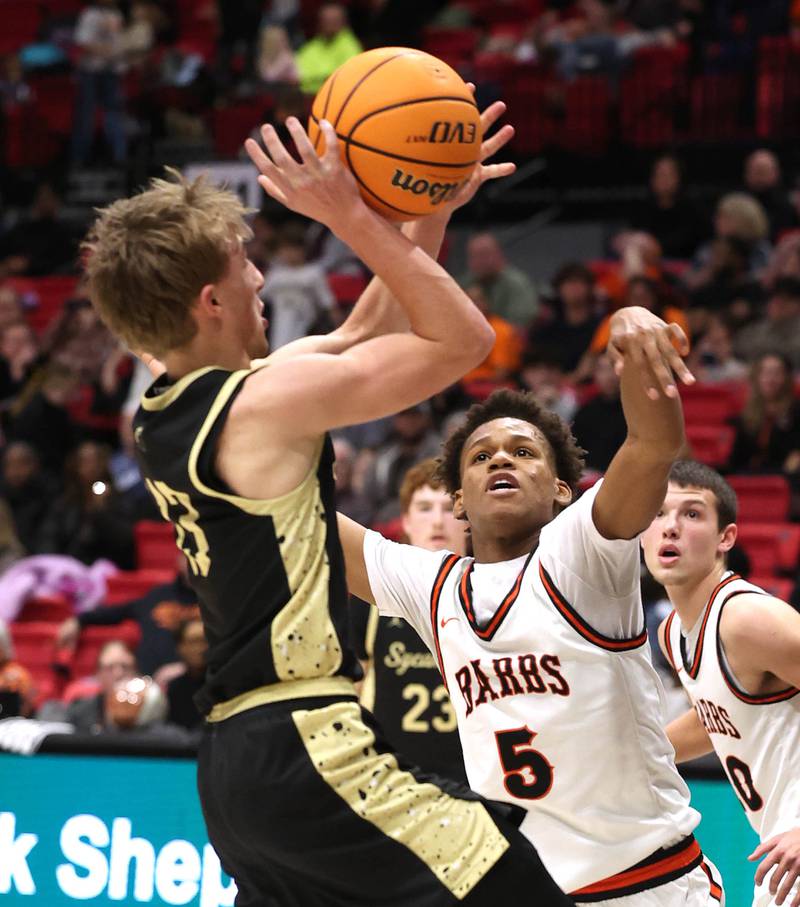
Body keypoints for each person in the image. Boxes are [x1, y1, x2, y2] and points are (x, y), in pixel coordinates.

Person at [84, 109, 572, 904]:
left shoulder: (170, 408)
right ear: (211, 300)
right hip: (307, 745)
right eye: (247, 266)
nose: (260, 279)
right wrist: (348, 215)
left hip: (238, 765)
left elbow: (361, 329)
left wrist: (435, 199)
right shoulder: (262, 404)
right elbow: (461, 340)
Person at [339, 306, 728, 901]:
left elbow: (654, 444)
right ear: (459, 503)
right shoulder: (434, 586)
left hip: (649, 885)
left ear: (560, 490)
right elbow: (304, 525)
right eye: (481, 456)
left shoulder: (581, 550)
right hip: (529, 891)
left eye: (523, 453)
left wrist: (628, 322)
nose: (500, 458)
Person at [641, 461, 800, 907]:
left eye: (691, 514)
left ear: (725, 538)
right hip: (779, 843)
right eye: (657, 514)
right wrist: (634, 756)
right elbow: (718, 718)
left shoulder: (747, 619)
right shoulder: (674, 633)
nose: (670, 527)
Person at [351, 459, 469, 784]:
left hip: (475, 778)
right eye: (425, 508)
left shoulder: (490, 588)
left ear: (467, 518)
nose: (437, 521)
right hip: (394, 777)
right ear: (405, 520)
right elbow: (352, 689)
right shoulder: (369, 597)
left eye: (448, 508)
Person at [56, 554, 198, 675]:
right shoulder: (158, 596)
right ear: (179, 560)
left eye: (197, 557)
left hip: (193, 678)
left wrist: (184, 669)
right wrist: (79, 620)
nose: (193, 563)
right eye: (187, 556)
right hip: (147, 682)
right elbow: (117, 612)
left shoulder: (215, 602)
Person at [460, 231, 539, 328]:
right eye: (474, 256)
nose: (480, 261)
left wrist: (487, 315)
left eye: (484, 254)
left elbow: (520, 323)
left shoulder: (516, 283)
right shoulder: (464, 283)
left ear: (498, 254)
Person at [295, 2, 362, 94]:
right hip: (308, 98)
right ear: (320, 22)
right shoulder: (310, 47)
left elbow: (349, 76)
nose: (330, 25)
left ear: (343, 22)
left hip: (338, 96)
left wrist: (316, 80)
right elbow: (299, 76)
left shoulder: (350, 45)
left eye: (334, 20)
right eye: (327, 21)